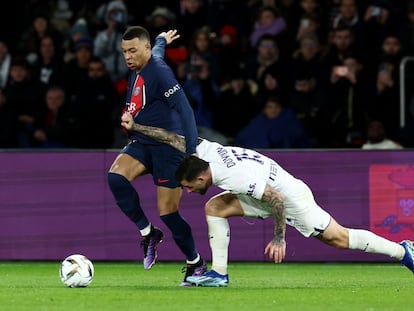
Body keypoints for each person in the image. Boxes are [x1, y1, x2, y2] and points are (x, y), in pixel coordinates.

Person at [119, 113, 414, 287]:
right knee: (214, 207)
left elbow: (275, 199)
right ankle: (219, 275)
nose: (186, 192)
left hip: (288, 196)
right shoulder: (201, 151)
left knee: (336, 237)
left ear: (200, 178)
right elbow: (170, 137)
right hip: (264, 189)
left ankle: (402, 251)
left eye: (186, 187)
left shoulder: (230, 176)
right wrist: (137, 128)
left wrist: (279, 238)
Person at [107, 26, 205, 286]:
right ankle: (148, 233)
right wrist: (162, 39)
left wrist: (191, 151)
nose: (128, 56)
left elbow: (185, 110)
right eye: (124, 51)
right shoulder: (145, 61)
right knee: (116, 178)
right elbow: (158, 48)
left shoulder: (160, 73)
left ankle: (195, 262)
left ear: (145, 49)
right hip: (141, 142)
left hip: (166, 147)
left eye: (133, 50)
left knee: (168, 213)